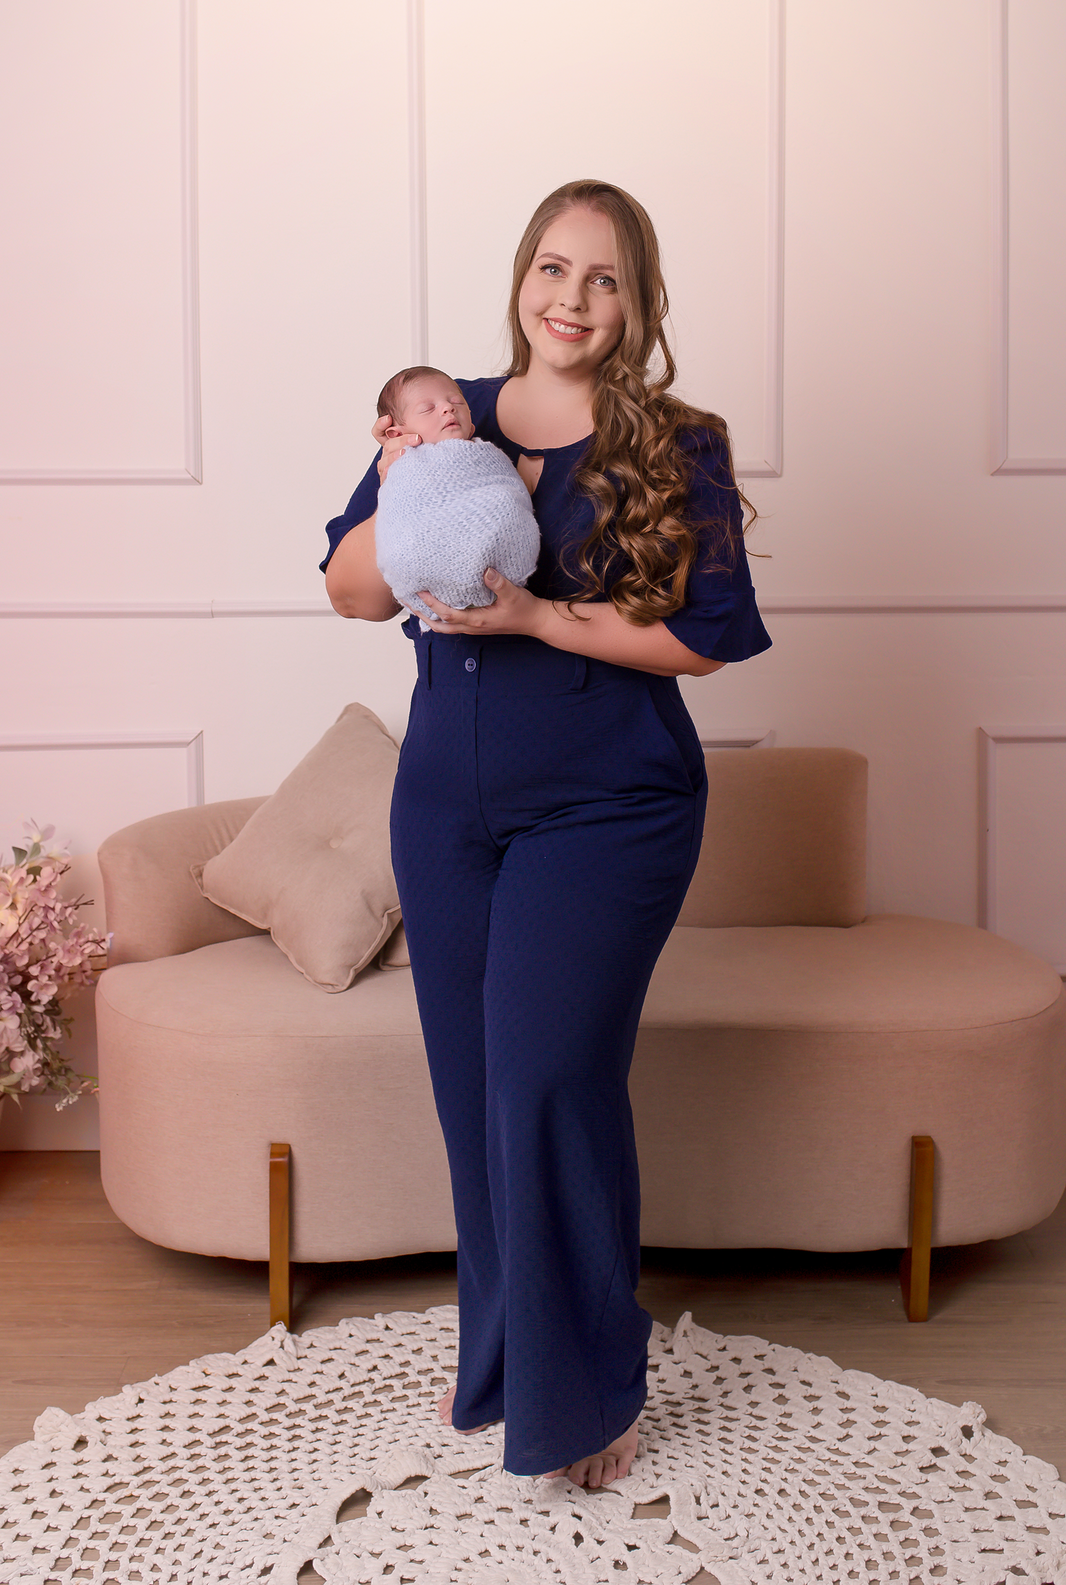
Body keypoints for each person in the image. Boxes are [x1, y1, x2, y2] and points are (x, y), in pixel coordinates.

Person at [322, 179, 771, 1489]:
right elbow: (351, 592)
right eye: (554, 268)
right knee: (476, 1095)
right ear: (522, 276)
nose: (573, 298)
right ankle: (513, 1360)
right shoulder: (440, 413)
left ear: (638, 303)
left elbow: (704, 638)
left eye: (605, 277)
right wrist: (395, 482)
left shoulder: (675, 442)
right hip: (445, 811)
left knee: (547, 1082)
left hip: (609, 807)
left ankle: (589, 1389)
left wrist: (531, 618)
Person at [371, 366, 540, 622]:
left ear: (471, 426)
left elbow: (511, 495)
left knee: (505, 504)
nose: (448, 408)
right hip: (425, 559)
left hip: (502, 573)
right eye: (428, 408)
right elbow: (399, 522)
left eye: (456, 402)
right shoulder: (401, 465)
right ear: (398, 434)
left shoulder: (485, 454)